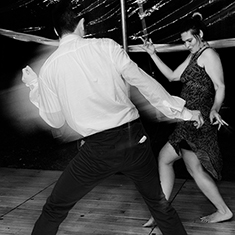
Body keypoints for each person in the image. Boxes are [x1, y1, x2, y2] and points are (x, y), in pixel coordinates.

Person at [22, 1, 204, 235]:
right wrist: (185, 113)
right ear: (82, 25)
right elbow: (144, 82)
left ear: (57, 32)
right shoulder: (106, 46)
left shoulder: (49, 67)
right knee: (160, 207)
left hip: (98, 150)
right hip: (134, 140)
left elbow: (55, 120)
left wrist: (34, 87)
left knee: (55, 209)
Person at [142, 12, 233, 227]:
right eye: (184, 42)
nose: (187, 45)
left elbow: (220, 86)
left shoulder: (208, 54)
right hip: (187, 117)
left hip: (198, 118)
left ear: (200, 34)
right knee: (170, 160)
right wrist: (153, 54)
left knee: (183, 164)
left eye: (190, 40)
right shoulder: (194, 53)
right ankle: (161, 212)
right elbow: (173, 76)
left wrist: (215, 109)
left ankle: (222, 210)